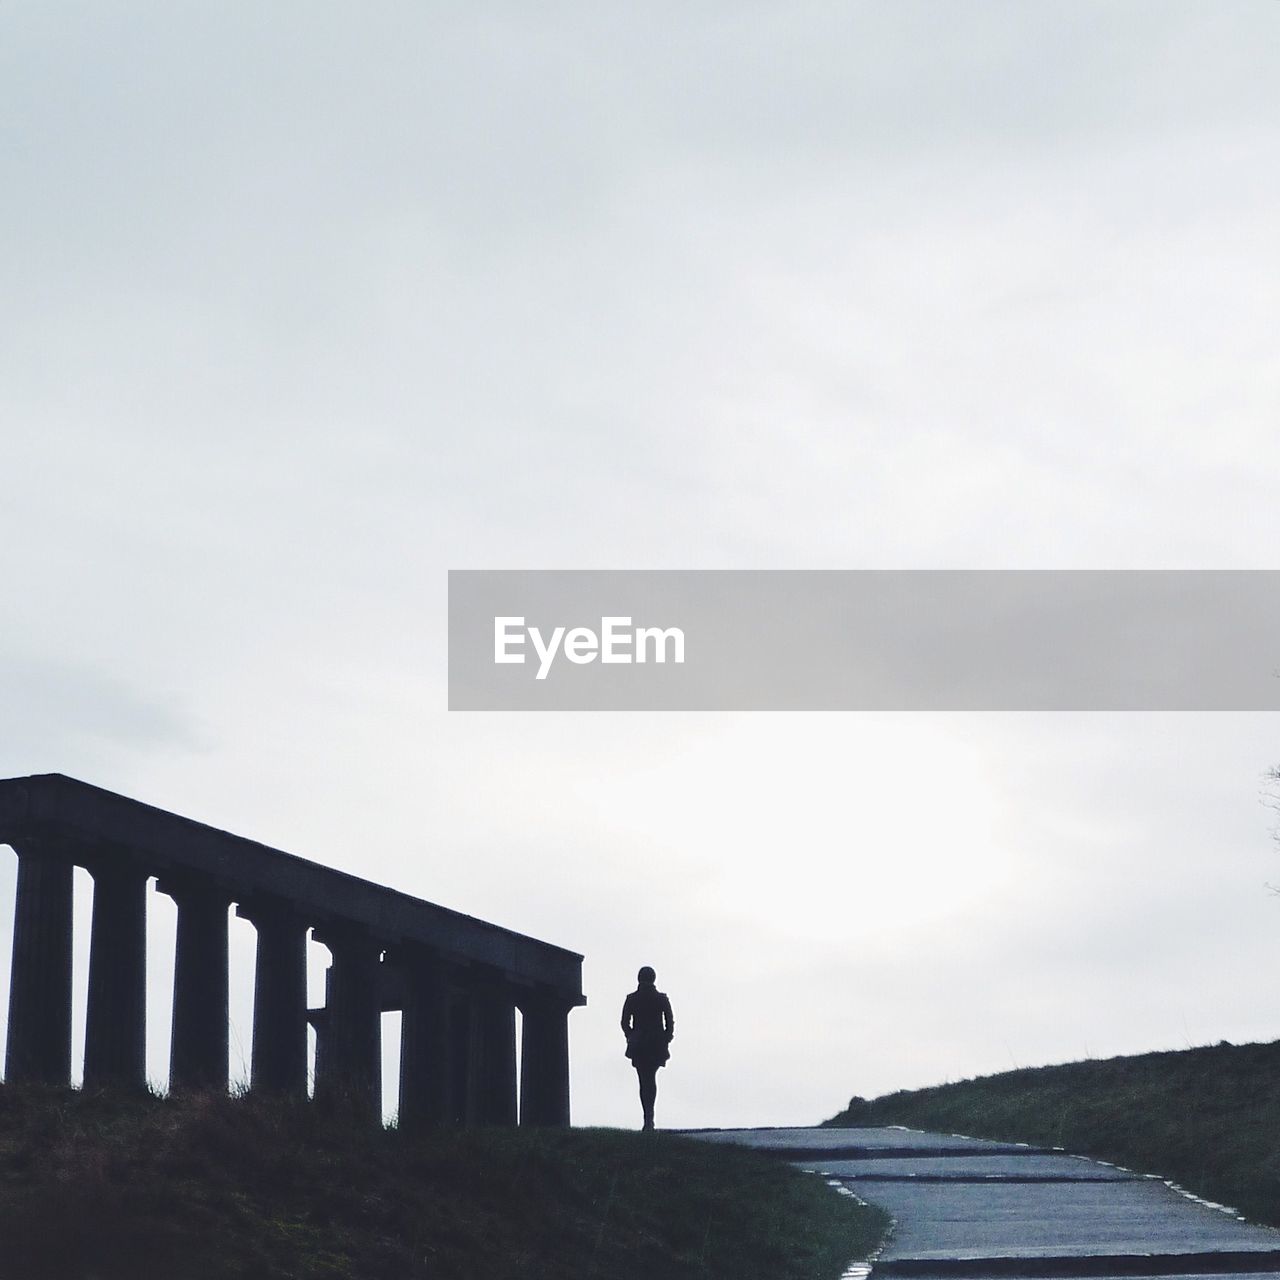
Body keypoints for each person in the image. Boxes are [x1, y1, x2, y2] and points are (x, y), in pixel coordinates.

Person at [620, 965, 674, 1130]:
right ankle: (649, 1119)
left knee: (645, 1080)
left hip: (641, 1045)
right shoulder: (661, 998)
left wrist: (632, 1036)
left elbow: (624, 1023)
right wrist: (665, 1038)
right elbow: (670, 1023)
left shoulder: (632, 998)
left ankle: (648, 1119)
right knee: (650, 1080)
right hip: (656, 1044)